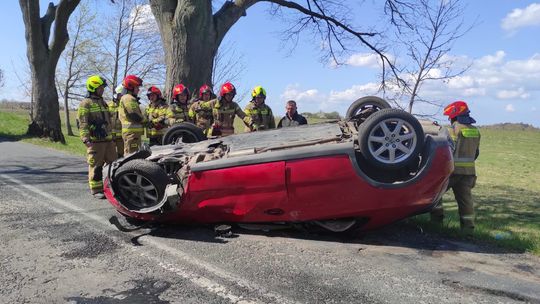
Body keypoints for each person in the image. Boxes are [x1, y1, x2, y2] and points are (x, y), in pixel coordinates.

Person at [431, 100, 481, 235]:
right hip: (468, 173)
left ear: (454, 115)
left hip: (451, 172)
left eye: (450, 117)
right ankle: (468, 230)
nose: (450, 119)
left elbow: (445, 151)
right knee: (466, 202)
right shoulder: (475, 131)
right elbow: (476, 153)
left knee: (435, 195)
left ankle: (436, 222)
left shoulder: (451, 130)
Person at [78, 75, 117, 199]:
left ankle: (112, 187)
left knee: (113, 164)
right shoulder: (85, 103)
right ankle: (96, 189)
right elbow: (82, 122)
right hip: (95, 141)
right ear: (93, 87)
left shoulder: (102, 102)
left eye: (102, 88)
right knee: (96, 166)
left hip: (108, 140)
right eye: (100, 88)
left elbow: (109, 120)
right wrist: (85, 138)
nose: (102, 90)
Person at [118, 75, 145, 155]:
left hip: (133, 134)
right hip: (131, 134)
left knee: (134, 155)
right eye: (137, 87)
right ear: (130, 87)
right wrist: (146, 121)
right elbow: (134, 115)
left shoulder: (128, 98)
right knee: (131, 156)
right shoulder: (128, 98)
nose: (138, 90)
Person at [108, 85, 125, 158]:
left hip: (121, 136)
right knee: (110, 155)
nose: (122, 96)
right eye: (121, 95)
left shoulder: (124, 105)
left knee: (121, 155)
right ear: (116, 95)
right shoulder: (108, 105)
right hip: (111, 136)